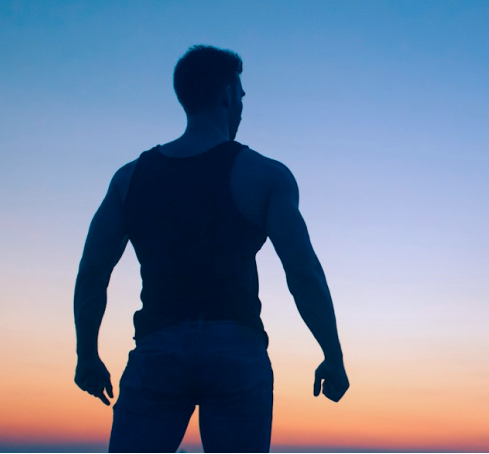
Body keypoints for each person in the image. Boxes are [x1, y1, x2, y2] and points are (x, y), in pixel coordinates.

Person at [70, 44, 349, 453]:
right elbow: (303, 272)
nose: (242, 107)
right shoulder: (265, 176)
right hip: (235, 351)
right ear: (227, 95)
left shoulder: (129, 179)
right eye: (242, 96)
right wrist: (332, 353)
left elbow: (93, 271)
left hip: (157, 351)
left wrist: (87, 355)